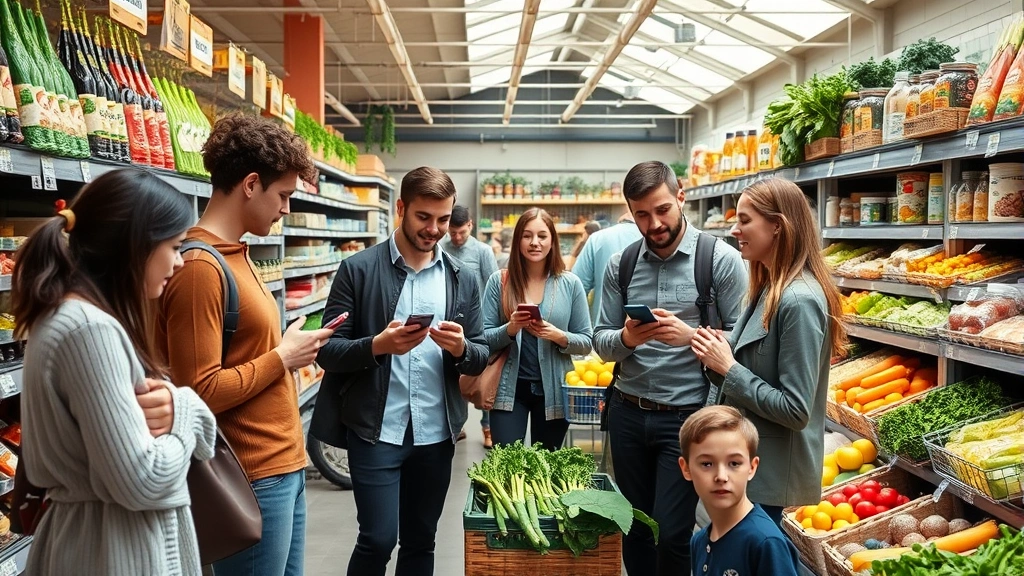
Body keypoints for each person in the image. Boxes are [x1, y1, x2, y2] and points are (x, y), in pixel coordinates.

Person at [14, 170, 217, 575]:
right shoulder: (90, 330)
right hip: (115, 552)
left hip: (95, 543)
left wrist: (178, 408)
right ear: (135, 246)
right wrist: (188, 411)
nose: (179, 262)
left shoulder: (68, 317)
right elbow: (143, 479)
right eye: (174, 247)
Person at [155, 114, 331, 576]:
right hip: (250, 477)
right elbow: (199, 390)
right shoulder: (199, 268)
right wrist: (283, 357)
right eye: (284, 196)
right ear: (251, 184)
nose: (286, 209)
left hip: (282, 468)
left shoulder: (236, 255)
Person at [310, 166, 488, 576]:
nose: (434, 229)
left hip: (436, 434)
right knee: (377, 539)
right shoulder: (358, 270)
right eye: (424, 217)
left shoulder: (462, 278)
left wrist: (462, 348)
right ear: (401, 208)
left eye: (443, 219)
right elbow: (328, 351)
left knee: (421, 541)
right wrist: (377, 346)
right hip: (377, 431)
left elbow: (480, 353)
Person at [593, 161, 748, 576]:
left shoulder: (720, 260)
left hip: (687, 418)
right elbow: (600, 342)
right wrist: (627, 338)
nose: (654, 223)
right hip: (627, 412)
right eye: (642, 214)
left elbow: (747, 341)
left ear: (681, 198)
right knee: (635, 527)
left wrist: (691, 336)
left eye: (662, 209)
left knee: (673, 530)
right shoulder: (620, 265)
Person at [691, 177, 845, 527]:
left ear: (777, 226)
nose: (734, 229)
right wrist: (716, 348)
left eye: (745, 220)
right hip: (751, 469)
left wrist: (729, 368)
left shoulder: (798, 300)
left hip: (770, 477)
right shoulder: (768, 288)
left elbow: (795, 410)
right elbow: (758, 359)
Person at [482, 208, 593, 450]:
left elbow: (586, 340)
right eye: (527, 236)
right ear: (517, 240)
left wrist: (559, 336)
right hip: (508, 391)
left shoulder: (570, 284)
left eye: (542, 236)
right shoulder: (499, 282)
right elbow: (483, 340)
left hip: (554, 391)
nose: (535, 243)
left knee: (547, 469)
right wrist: (510, 329)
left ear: (552, 241)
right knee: (508, 468)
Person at [678, 406, 800, 576]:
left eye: (734, 463)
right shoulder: (699, 542)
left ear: (752, 467)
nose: (721, 476)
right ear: (686, 469)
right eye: (707, 464)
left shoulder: (765, 543)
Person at [440, 205, 499, 447]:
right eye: (452, 233)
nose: (456, 237)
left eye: (461, 232)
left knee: (485, 375)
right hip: (448, 323)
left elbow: (494, 284)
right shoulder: (441, 248)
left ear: (470, 226)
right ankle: (457, 424)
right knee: (454, 374)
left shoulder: (482, 252)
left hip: (478, 325)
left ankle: (487, 427)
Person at [572, 212, 642, 322]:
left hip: (604, 330)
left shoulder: (597, 239)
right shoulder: (659, 241)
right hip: (649, 331)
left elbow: (575, 291)